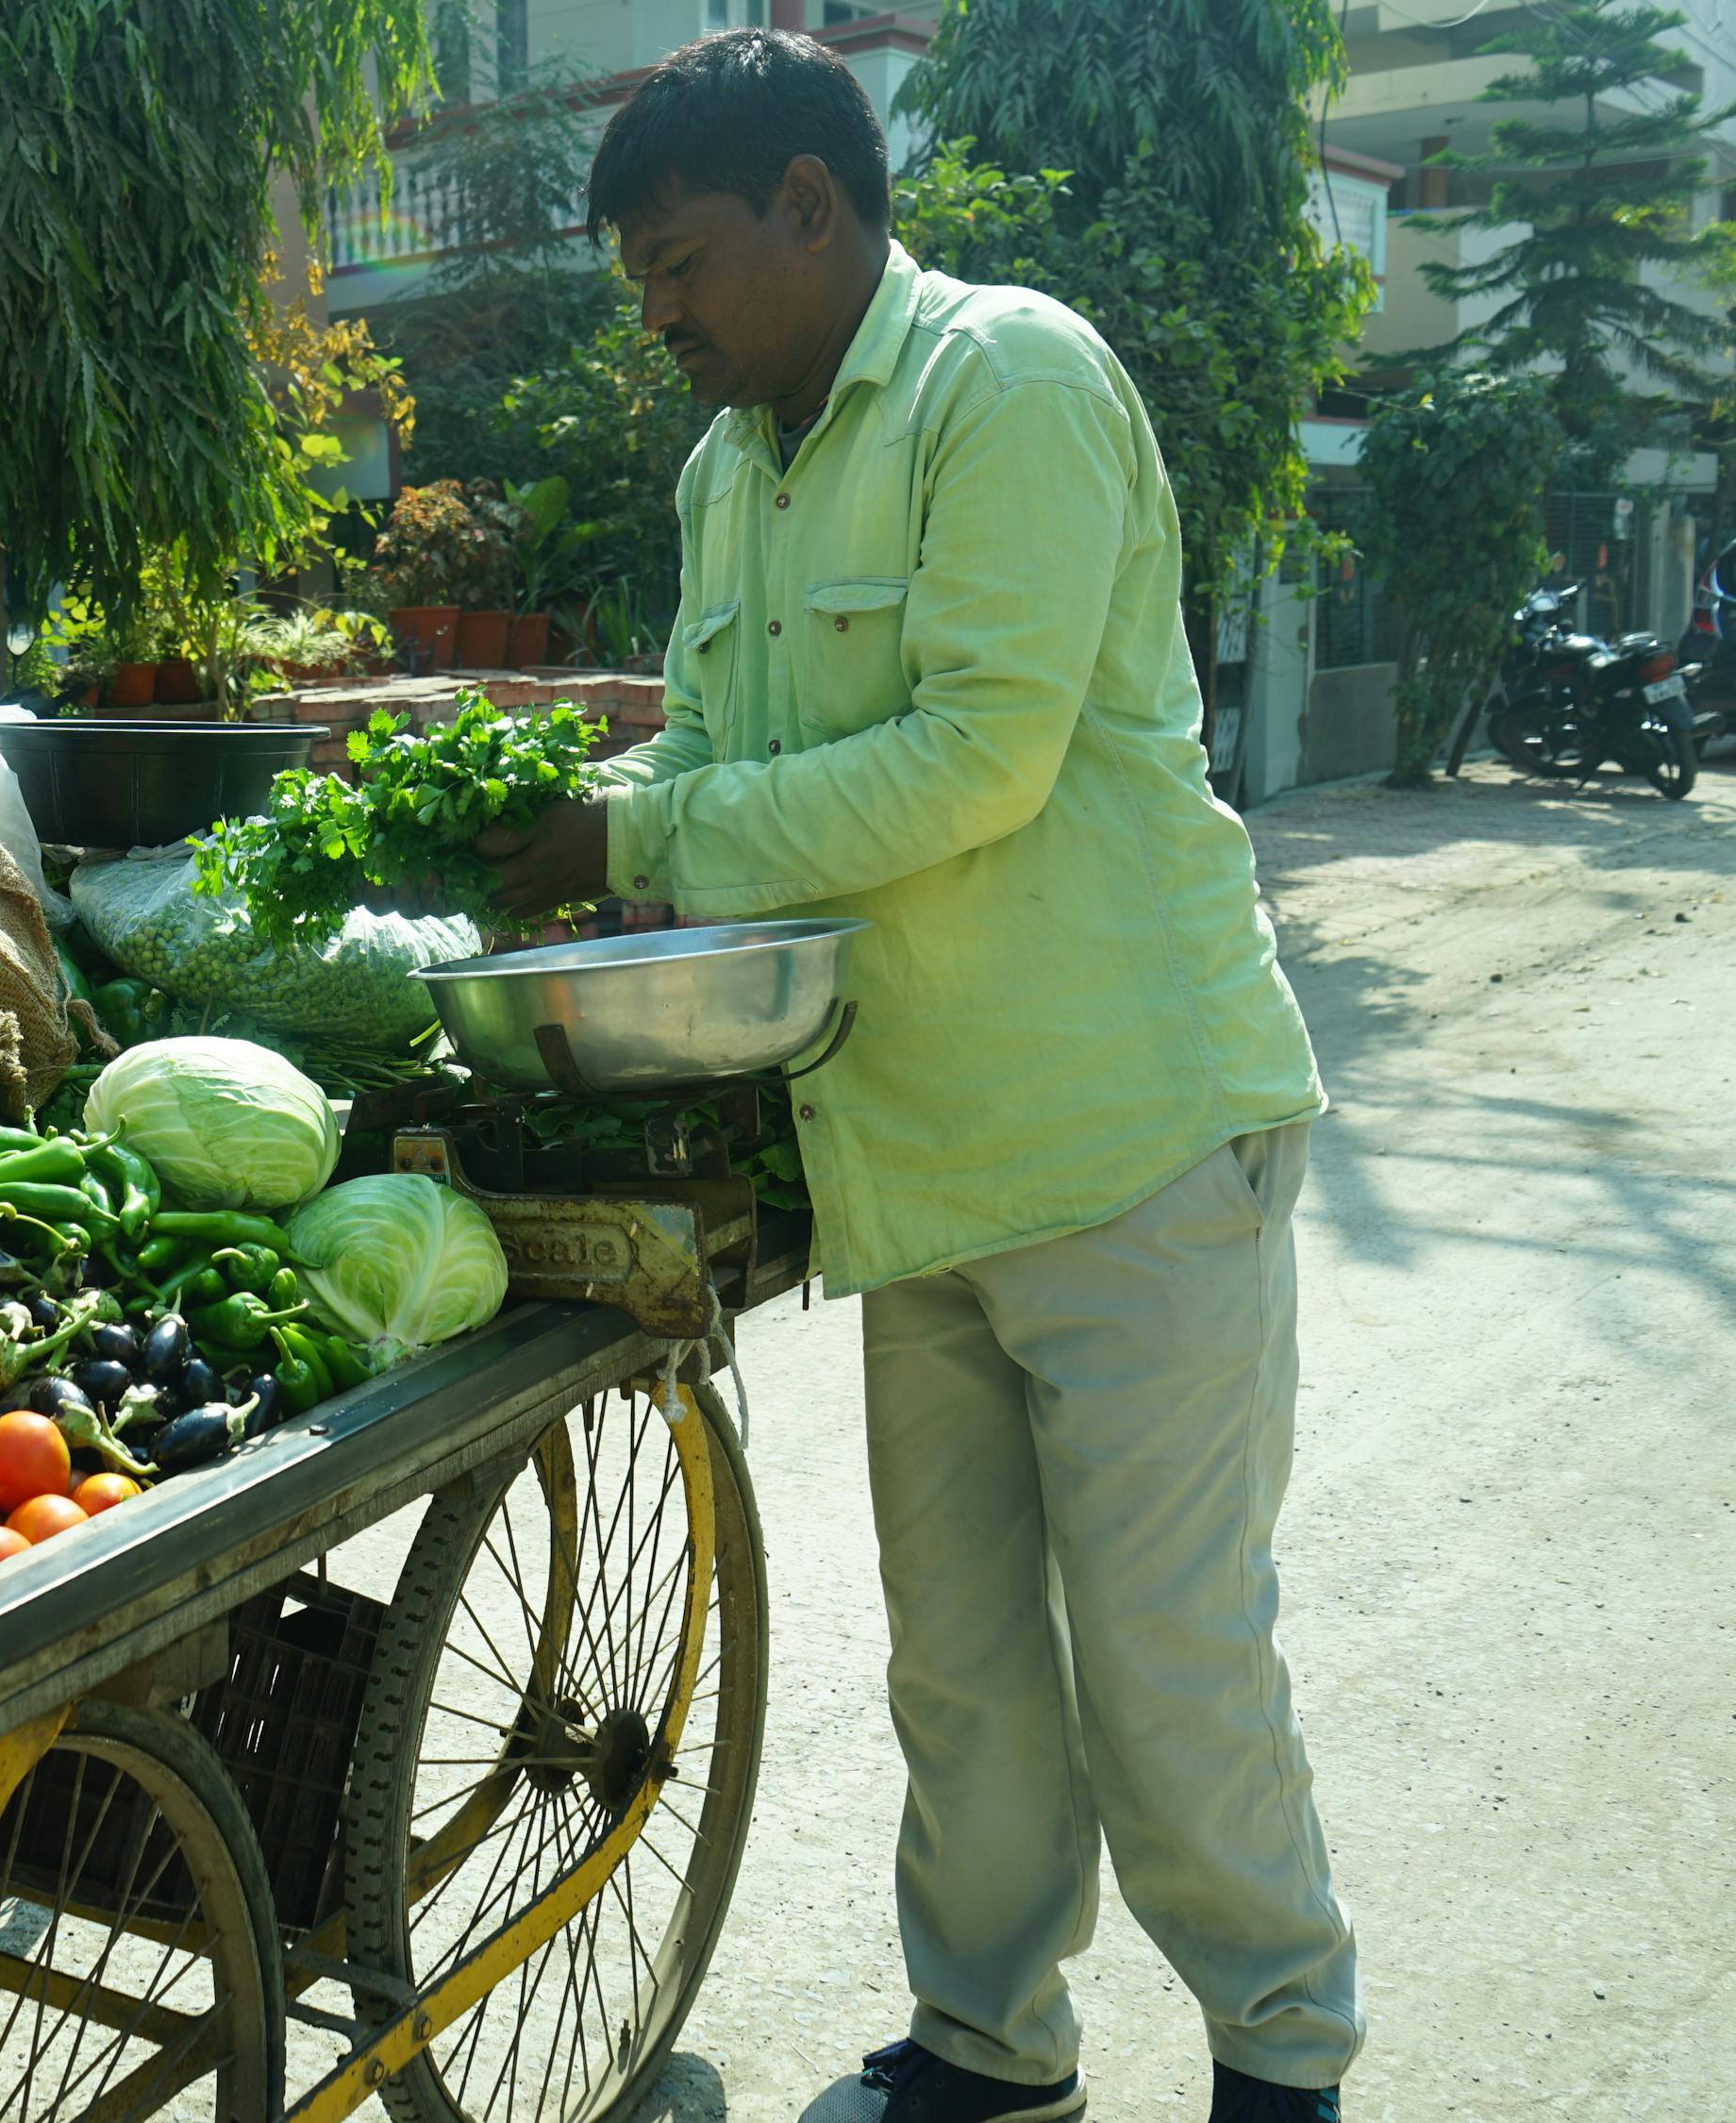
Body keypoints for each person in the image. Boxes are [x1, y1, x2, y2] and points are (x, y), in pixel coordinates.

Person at [471, 30, 1361, 2123]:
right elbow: (703, 765)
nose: (660, 319)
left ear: (809, 203)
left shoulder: (1006, 382)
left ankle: (1280, 2064)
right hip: (909, 1157)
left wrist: (645, 839)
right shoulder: (728, 475)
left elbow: (981, 760)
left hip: (1129, 1132)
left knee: (1167, 1673)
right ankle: (984, 2052)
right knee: (962, 1672)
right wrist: (568, 822)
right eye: (635, 286)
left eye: (678, 264)